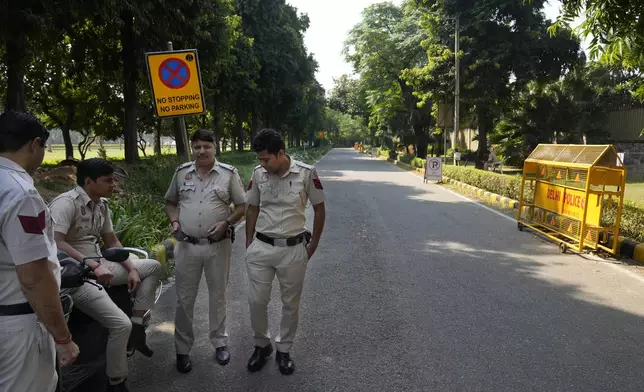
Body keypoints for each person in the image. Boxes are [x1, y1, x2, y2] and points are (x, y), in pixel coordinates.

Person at [49, 158, 163, 391]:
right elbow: (55, 243)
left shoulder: (101, 204)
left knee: (152, 267)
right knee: (119, 325)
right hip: (75, 275)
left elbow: (111, 240)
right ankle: (117, 383)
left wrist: (131, 268)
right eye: (108, 180)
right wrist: (90, 263)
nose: (114, 185)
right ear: (89, 181)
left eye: (114, 180)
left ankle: (138, 327)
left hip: (102, 266)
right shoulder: (65, 204)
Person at [0, 110, 79, 392]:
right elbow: (34, 277)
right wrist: (62, 337)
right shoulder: (20, 194)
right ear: (35, 145)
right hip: (18, 327)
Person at [164, 129, 247, 373]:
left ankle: (220, 342)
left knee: (218, 296)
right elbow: (170, 202)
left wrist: (227, 223)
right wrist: (175, 222)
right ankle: (182, 350)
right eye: (197, 146)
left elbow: (242, 205)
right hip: (187, 246)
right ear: (193, 148)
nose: (202, 151)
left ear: (215, 147)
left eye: (206, 146)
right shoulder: (181, 173)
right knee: (184, 300)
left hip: (217, 247)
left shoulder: (228, 174)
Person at [244, 128, 326, 375]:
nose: (262, 163)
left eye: (266, 159)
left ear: (280, 153)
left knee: (291, 303)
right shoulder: (258, 174)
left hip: (293, 249)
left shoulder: (306, 173)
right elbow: (251, 209)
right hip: (261, 247)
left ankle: (284, 349)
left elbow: (320, 209)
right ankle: (262, 345)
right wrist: (249, 244)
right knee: (256, 301)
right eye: (259, 159)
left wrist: (313, 246)